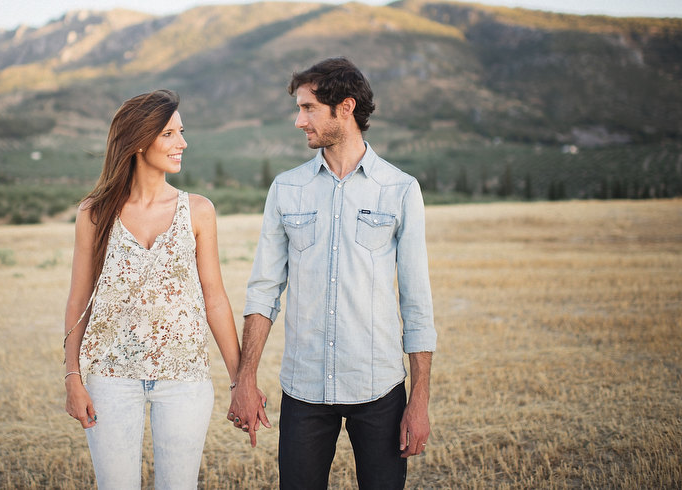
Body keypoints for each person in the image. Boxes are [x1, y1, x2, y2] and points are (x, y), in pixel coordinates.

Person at [227, 57, 437, 489]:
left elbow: (416, 304)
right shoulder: (286, 188)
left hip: (379, 390)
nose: (298, 120)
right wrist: (244, 381)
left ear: (345, 107)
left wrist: (419, 401)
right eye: (299, 108)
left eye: (308, 108)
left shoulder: (400, 189)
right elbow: (264, 291)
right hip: (303, 391)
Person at [62, 89, 245, 489]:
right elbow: (79, 301)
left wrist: (240, 380)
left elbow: (214, 298)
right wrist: (73, 377)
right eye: (169, 134)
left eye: (181, 132)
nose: (183, 143)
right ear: (140, 141)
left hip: (183, 379)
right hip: (109, 378)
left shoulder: (198, 210)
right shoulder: (95, 214)